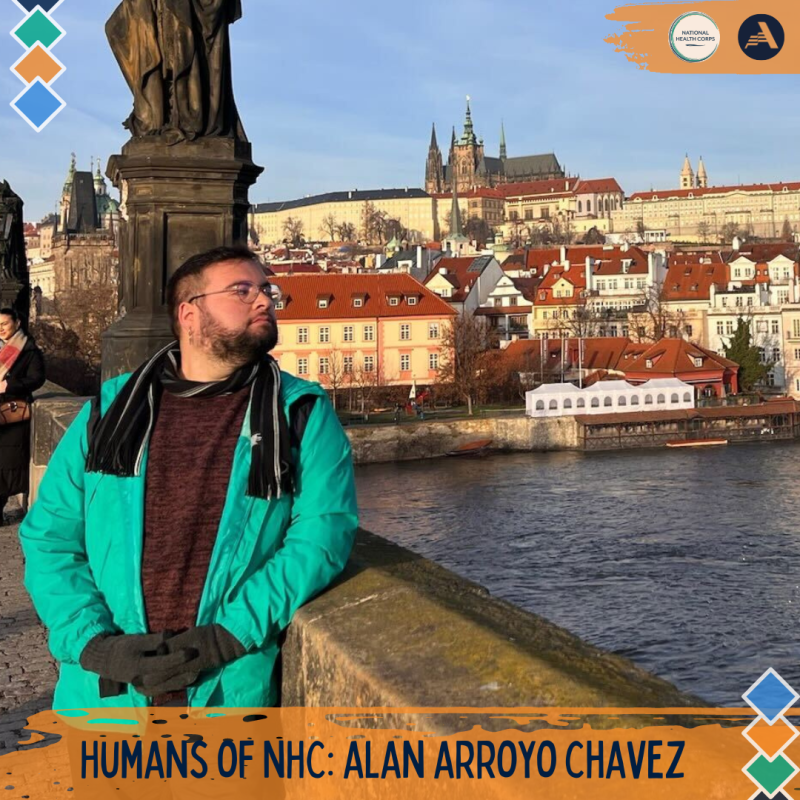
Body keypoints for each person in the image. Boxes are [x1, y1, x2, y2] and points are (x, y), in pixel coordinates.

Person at [19, 245, 358, 709]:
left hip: (227, 691)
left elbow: (322, 535)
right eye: (242, 290)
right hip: (108, 695)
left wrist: (226, 637)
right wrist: (95, 644)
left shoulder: (300, 412)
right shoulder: (109, 411)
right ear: (190, 314)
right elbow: (50, 537)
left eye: (266, 289)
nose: (264, 300)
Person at [0, 307, 45, 523]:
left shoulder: (28, 350)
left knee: (8, 464)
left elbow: (37, 379)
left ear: (17, 323)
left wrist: (9, 385)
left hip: (12, 414)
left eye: (5, 324)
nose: (0, 329)